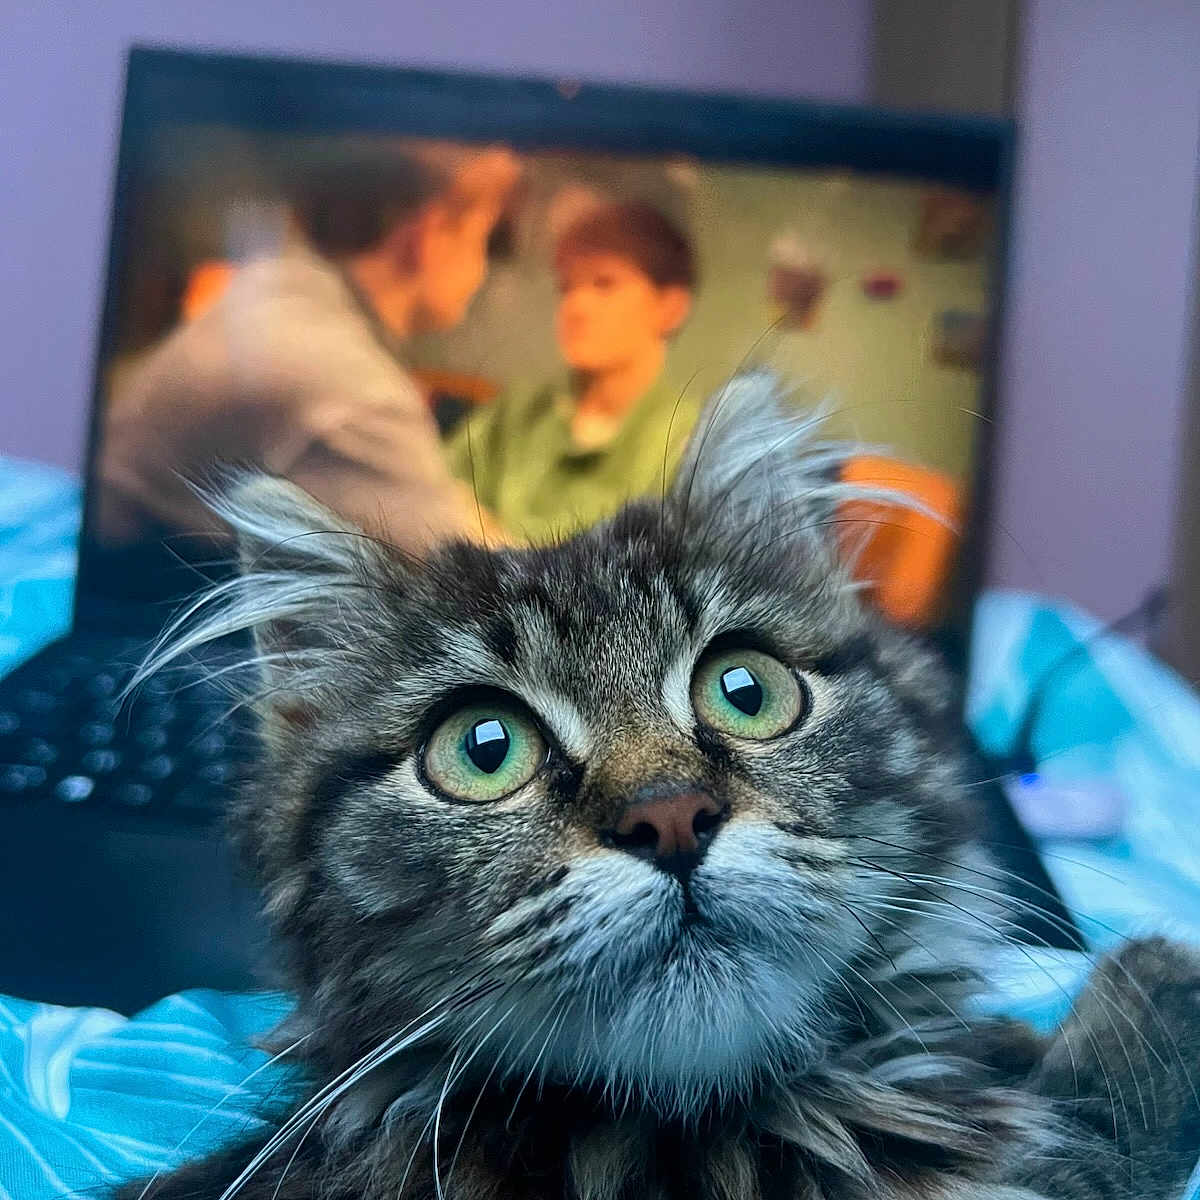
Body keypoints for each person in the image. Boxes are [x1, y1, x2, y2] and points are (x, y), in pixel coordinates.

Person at [96, 141, 520, 552]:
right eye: (483, 238)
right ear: (426, 238)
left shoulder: (278, 287)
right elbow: (461, 588)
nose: (482, 269)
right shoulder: (355, 393)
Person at [444, 201, 697, 542]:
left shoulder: (691, 444)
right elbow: (430, 494)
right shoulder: (517, 413)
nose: (575, 306)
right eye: (567, 287)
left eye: (604, 283)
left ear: (670, 307)